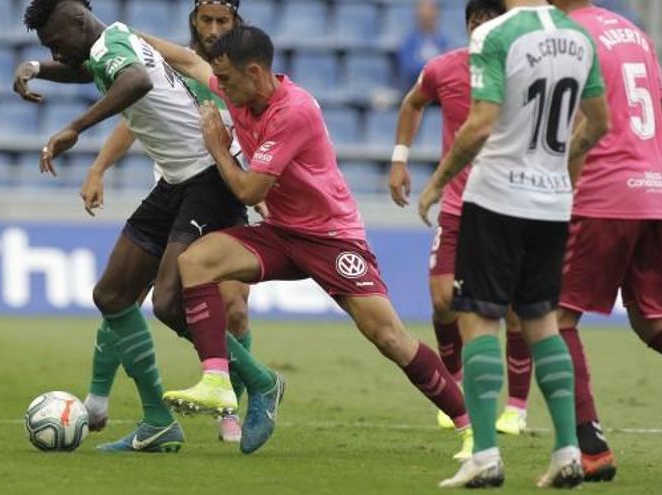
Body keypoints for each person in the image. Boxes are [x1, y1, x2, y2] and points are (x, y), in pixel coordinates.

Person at [143, 25, 474, 459]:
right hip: (282, 232)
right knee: (196, 262)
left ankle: (472, 427)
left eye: (225, 80)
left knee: (388, 336)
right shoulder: (237, 88)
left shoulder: (293, 111)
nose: (217, 87)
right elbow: (188, 61)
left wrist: (218, 148)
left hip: (330, 238)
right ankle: (217, 379)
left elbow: (249, 192)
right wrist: (126, 36)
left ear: (256, 72)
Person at [15, 0, 279, 453]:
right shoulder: (109, 44)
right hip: (177, 182)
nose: (57, 53)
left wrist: (75, 127)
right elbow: (88, 70)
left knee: (171, 301)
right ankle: (158, 422)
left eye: (56, 43)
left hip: (209, 180)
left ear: (78, 21)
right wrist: (37, 66)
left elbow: (133, 82)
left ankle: (261, 382)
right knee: (113, 295)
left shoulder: (117, 44)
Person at [417, 0, 610, 488]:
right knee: (541, 318)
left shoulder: (496, 34)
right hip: (551, 202)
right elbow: (599, 123)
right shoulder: (579, 36)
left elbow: (481, 122)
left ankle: (484, 454)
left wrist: (439, 182)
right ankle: (567, 451)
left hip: (498, 194)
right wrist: (561, 169)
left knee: (479, 318)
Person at [80, 0, 255, 445]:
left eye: (223, 21)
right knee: (125, 293)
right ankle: (99, 396)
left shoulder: (243, 75)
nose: (213, 29)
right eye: (206, 20)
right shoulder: (174, 63)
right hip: (174, 190)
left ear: (236, 23)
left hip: (222, 190)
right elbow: (132, 122)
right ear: (194, 21)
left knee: (233, 306)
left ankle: (231, 406)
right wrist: (99, 168)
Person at [390, 0, 534, 436]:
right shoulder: (444, 69)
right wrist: (400, 159)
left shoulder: (527, 74)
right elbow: (413, 103)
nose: (484, 30)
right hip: (458, 205)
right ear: (469, 26)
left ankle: (516, 405)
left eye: (493, 23)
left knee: (512, 309)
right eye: (477, 23)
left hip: (512, 203)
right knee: (441, 299)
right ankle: (451, 384)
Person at [548, 0, 662, 482]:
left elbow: (581, 122)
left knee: (555, 317)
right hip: (659, 192)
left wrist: (561, 191)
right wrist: (657, 170)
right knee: (652, 321)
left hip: (604, 194)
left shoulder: (565, 35)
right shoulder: (633, 32)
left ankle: (590, 446)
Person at [397, 0, 449, 90]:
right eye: (424, 16)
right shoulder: (409, 41)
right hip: (414, 90)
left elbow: (449, 68)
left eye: (431, 16)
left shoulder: (443, 41)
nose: (427, 19)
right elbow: (408, 68)